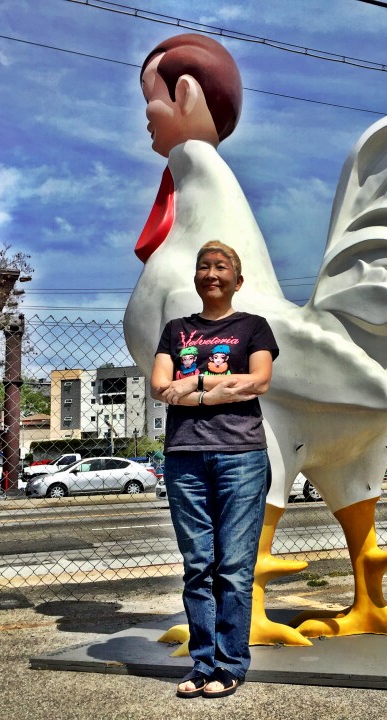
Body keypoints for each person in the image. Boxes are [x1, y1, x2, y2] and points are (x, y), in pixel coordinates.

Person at [150, 240, 278, 699]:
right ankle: (203, 665)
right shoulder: (176, 329)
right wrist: (216, 392)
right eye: (204, 266)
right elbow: (159, 386)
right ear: (196, 277)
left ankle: (231, 664)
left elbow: (259, 381)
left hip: (241, 456)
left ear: (236, 280)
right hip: (184, 455)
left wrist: (196, 383)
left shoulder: (253, 328)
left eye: (221, 267)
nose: (211, 273)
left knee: (234, 566)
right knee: (198, 565)